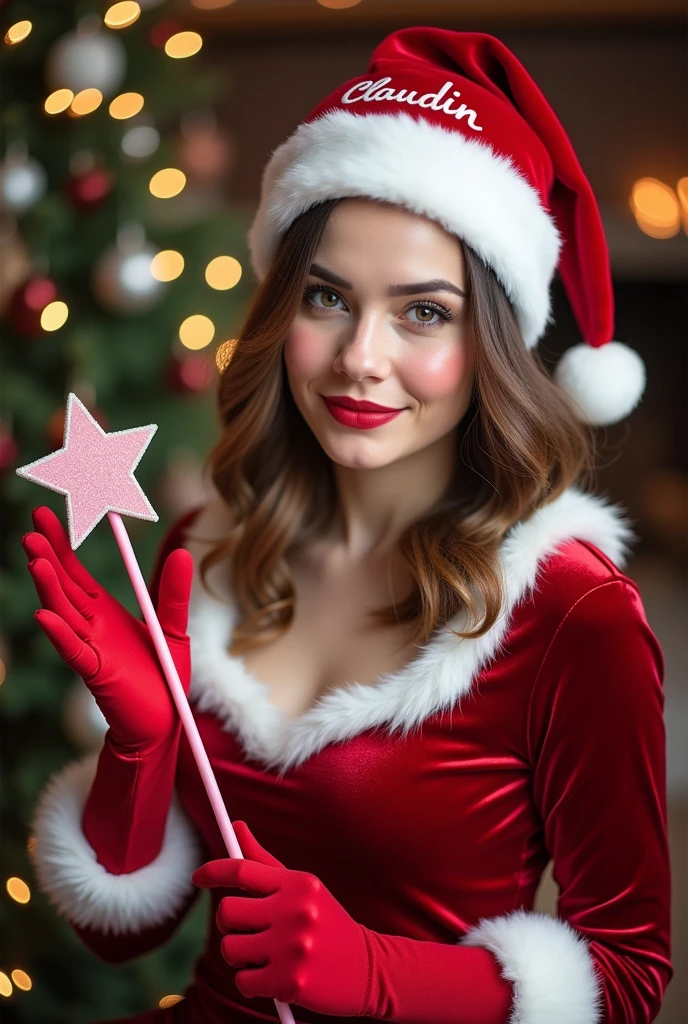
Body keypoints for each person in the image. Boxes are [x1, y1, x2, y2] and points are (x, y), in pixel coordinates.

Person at [24, 26, 672, 1024]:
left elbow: (628, 980)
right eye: (328, 296)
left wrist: (376, 973)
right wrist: (141, 745)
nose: (358, 358)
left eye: (422, 313)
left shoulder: (572, 614)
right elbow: (121, 930)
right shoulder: (205, 546)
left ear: (490, 340)